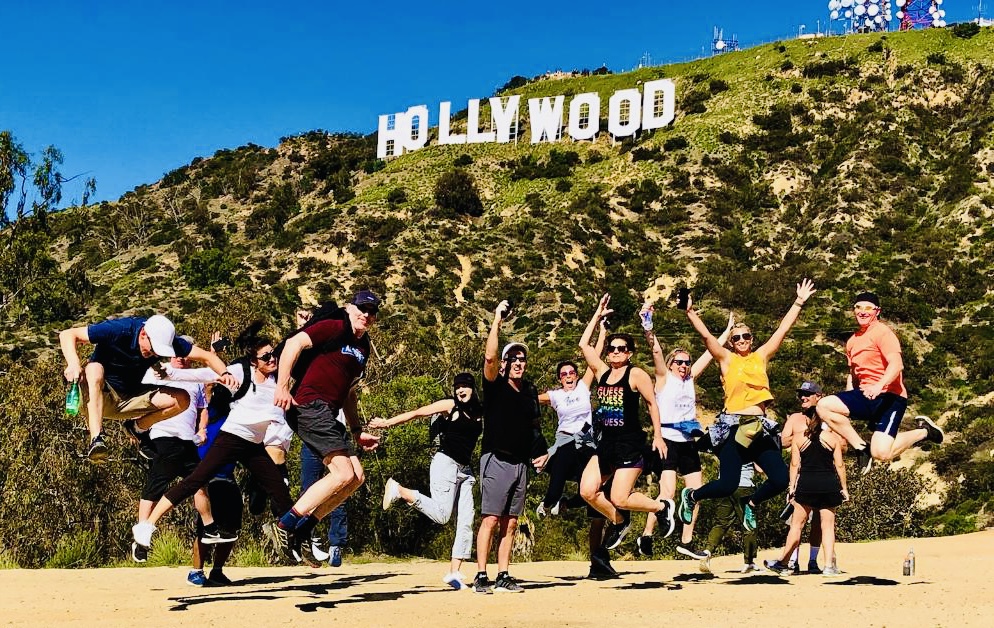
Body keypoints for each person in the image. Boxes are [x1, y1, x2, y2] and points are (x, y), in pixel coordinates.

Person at [131, 328, 293, 556]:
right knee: (195, 480)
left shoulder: (279, 380)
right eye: (265, 357)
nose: (272, 359)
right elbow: (203, 375)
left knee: (279, 489)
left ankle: (301, 536)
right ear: (253, 361)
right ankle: (147, 525)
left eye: (272, 354)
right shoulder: (240, 371)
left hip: (253, 445)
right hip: (231, 438)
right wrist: (168, 373)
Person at [678, 279, 817, 532]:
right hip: (734, 426)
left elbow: (782, 331)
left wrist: (798, 302)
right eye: (736, 337)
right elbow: (707, 337)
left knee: (781, 478)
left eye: (746, 336)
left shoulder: (760, 356)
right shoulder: (727, 359)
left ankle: (751, 503)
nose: (741, 340)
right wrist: (689, 312)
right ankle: (692, 496)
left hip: (760, 427)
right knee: (728, 483)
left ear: (752, 339)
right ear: (731, 342)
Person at [269, 292, 381, 561]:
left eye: (372, 311)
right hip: (308, 404)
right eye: (362, 308)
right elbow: (293, 345)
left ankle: (304, 528)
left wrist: (357, 430)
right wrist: (283, 386)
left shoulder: (363, 347)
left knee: (356, 477)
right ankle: (283, 525)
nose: (366, 315)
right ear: (349, 307)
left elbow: (348, 393)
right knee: (342, 473)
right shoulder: (336, 325)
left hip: (328, 412)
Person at [577, 294, 675, 554]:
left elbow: (652, 404)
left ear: (629, 353)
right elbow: (584, 344)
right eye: (612, 348)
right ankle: (620, 521)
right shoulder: (601, 372)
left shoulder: (636, 374)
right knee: (588, 491)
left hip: (629, 445)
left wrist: (658, 435)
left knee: (620, 497)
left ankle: (661, 507)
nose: (616, 352)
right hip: (606, 444)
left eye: (622, 348)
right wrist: (597, 316)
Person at [59, 314, 228, 462]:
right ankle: (96, 438)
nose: (154, 354)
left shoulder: (167, 340)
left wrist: (226, 373)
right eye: (153, 350)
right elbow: (68, 334)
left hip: (129, 399)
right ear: (143, 334)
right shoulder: (120, 329)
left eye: (158, 353)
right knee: (94, 368)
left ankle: (137, 428)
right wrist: (73, 363)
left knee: (182, 399)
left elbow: (206, 357)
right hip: (99, 397)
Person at [636, 305, 732, 560]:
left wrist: (726, 332)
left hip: (688, 441)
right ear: (670, 364)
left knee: (695, 492)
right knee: (667, 493)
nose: (685, 366)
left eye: (687, 362)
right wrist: (648, 324)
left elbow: (710, 354)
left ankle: (687, 541)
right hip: (667, 440)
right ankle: (646, 534)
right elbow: (655, 350)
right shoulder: (663, 378)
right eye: (679, 362)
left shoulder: (690, 380)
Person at [374, 372, 484, 590]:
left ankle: (455, 572)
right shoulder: (450, 405)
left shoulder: (480, 412)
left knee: (466, 521)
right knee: (443, 517)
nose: (461, 390)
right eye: (457, 387)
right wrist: (387, 423)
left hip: (466, 470)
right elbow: (417, 413)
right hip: (446, 463)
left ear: (473, 388)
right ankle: (400, 490)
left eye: (465, 386)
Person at [816, 291, 943, 474]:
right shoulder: (852, 342)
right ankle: (861, 448)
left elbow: (897, 365)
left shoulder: (883, 333)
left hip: (891, 397)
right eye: (858, 307)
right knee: (825, 407)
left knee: (881, 453)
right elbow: (854, 375)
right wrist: (847, 399)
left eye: (868, 308)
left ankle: (924, 432)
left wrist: (879, 386)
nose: (862, 312)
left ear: (877, 311)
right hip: (867, 395)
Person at [473, 300, 549, 594]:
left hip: (521, 463)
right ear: (505, 364)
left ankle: (503, 574)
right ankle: (481, 575)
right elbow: (490, 357)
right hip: (496, 458)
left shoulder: (529, 390)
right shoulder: (495, 385)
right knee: (491, 518)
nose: (519, 363)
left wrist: (539, 452)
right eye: (513, 358)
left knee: (512, 521)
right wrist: (497, 321)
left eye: (522, 359)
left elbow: (533, 427)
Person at [131, 344, 226, 563]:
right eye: (176, 355)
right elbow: (138, 400)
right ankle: (142, 536)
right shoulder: (157, 372)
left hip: (187, 440)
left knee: (199, 482)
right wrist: (138, 429)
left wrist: (202, 429)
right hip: (163, 434)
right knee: (157, 483)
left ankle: (210, 527)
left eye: (185, 355)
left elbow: (203, 408)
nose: (180, 359)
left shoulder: (195, 380)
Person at [764, 410, 849, 577]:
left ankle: (784, 562)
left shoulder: (798, 438)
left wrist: (791, 487)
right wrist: (844, 488)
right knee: (828, 527)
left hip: (806, 484)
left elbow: (795, 465)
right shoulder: (832, 439)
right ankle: (829, 566)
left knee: (796, 526)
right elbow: (840, 466)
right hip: (828, 483)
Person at [535, 321, 605, 517]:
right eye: (564, 374)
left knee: (589, 488)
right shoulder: (555, 395)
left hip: (586, 441)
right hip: (565, 440)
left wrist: (602, 331)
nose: (568, 376)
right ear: (559, 378)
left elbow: (595, 357)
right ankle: (547, 504)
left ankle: (566, 504)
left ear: (576, 375)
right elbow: (527, 397)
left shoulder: (583, 387)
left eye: (571, 372)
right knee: (555, 488)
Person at [188, 418, 244, 586]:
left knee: (231, 527)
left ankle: (217, 571)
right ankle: (196, 571)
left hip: (228, 476)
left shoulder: (233, 412)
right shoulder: (201, 412)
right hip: (205, 476)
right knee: (205, 527)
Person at [781, 380, 829, 574]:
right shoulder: (794, 418)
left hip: (824, 474)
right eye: (801, 394)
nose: (803, 397)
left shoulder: (830, 419)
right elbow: (783, 441)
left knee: (820, 520)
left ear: (819, 397)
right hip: (800, 475)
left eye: (808, 394)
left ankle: (813, 561)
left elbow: (842, 445)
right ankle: (792, 561)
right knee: (797, 521)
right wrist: (805, 435)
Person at [698, 463, 762, 575]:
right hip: (744, 486)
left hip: (723, 486)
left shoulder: (726, 445)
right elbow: (760, 469)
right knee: (748, 523)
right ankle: (749, 562)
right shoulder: (752, 445)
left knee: (721, 523)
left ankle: (707, 552)